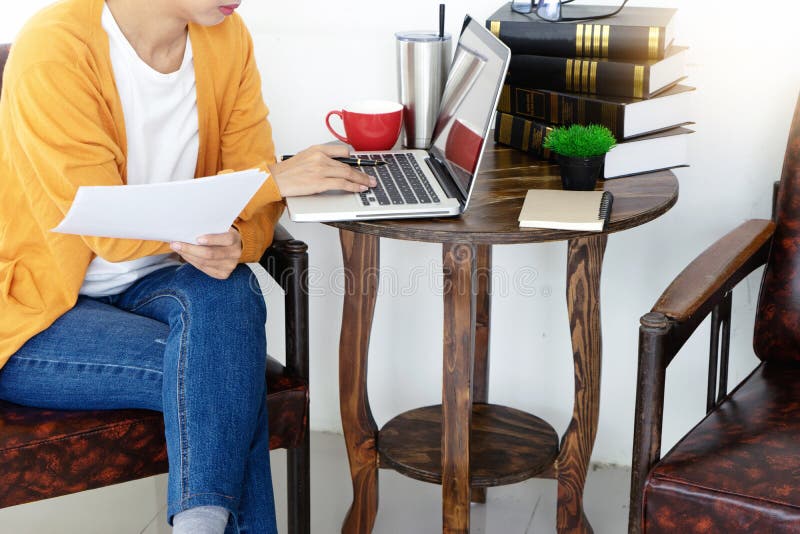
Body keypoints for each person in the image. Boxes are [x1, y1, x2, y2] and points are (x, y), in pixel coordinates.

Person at [0, 0, 376, 532]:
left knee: (230, 289)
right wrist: (273, 179)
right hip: (35, 315)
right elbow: (102, 222)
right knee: (226, 373)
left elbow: (256, 193)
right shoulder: (54, 46)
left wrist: (238, 237)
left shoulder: (225, 35)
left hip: (157, 280)